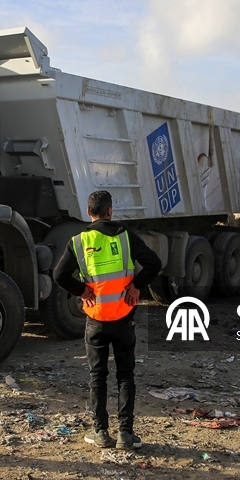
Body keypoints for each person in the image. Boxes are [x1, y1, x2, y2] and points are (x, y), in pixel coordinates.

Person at [53, 190, 161, 450]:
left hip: (96, 320)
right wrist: (136, 286)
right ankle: (125, 434)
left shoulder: (78, 241)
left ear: (89, 213)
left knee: (97, 376)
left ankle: (100, 432)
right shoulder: (126, 237)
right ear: (110, 211)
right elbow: (154, 263)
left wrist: (82, 290)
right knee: (126, 376)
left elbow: (59, 275)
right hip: (124, 318)